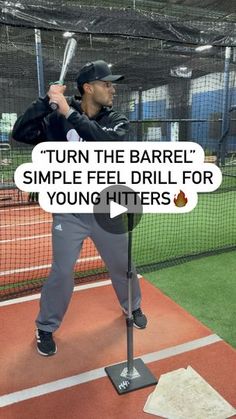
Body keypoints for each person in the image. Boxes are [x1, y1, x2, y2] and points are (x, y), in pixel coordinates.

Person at [12, 60, 147, 357]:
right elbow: (20, 133)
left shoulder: (116, 119)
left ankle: (133, 307)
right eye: (107, 84)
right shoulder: (55, 118)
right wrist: (44, 103)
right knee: (61, 273)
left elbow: (106, 142)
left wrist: (69, 111)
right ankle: (45, 327)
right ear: (89, 88)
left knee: (123, 266)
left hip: (107, 208)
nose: (112, 89)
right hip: (68, 209)